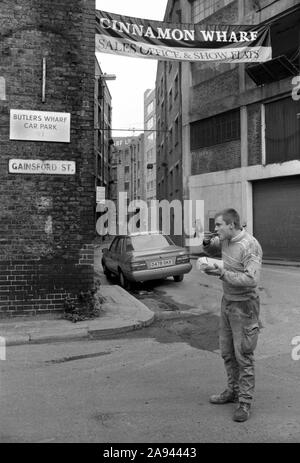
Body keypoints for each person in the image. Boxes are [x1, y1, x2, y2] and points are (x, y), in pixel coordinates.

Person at [202, 208, 263, 422]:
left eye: (218, 225)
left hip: (245, 306)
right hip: (227, 302)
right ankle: (232, 391)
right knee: (227, 353)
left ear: (232, 225)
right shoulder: (226, 239)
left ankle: (244, 403)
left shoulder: (250, 245)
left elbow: (251, 280)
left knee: (243, 356)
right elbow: (213, 250)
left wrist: (221, 273)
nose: (215, 228)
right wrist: (207, 243)